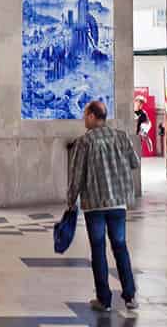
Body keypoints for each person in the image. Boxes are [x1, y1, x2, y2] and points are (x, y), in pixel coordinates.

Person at [66, 99, 141, 316]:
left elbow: (77, 175)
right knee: (120, 246)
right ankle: (130, 296)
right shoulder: (121, 137)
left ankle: (104, 299)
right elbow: (134, 162)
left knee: (98, 249)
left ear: (91, 116)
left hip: (95, 204)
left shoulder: (85, 142)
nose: (83, 119)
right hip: (118, 202)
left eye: (84, 115)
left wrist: (71, 200)